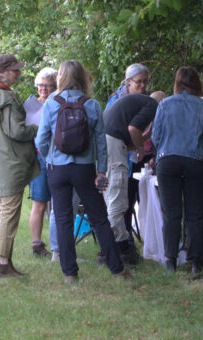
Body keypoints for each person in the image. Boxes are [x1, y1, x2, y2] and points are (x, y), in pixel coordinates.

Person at [35, 60, 132, 283]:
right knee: (99, 218)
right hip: (84, 169)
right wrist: (101, 171)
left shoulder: (51, 103)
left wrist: (50, 159)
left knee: (63, 218)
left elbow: (41, 139)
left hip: (57, 170)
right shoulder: (92, 105)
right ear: (82, 77)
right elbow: (101, 142)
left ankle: (70, 273)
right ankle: (117, 269)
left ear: (60, 78)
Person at [151, 67, 203, 274]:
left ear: (177, 84)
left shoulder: (165, 104)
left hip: (168, 160)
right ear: (197, 84)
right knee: (195, 213)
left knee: (171, 213)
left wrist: (164, 151)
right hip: (195, 161)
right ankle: (196, 260)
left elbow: (156, 137)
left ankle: (170, 259)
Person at [0, 54, 39, 278]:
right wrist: (36, 127)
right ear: (2, 73)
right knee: (8, 214)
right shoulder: (7, 97)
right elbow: (17, 132)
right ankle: (3, 265)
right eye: (15, 70)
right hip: (11, 163)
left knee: (3, 212)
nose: (19, 73)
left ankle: (6, 262)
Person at [102, 91, 160, 265]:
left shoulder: (134, 103)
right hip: (112, 145)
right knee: (117, 200)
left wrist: (143, 138)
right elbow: (133, 130)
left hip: (105, 144)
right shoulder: (153, 105)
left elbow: (128, 141)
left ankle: (117, 248)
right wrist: (141, 147)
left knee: (111, 196)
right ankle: (114, 250)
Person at [24, 67, 57, 258]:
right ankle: (37, 244)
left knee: (58, 203)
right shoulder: (29, 106)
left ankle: (58, 245)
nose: (44, 89)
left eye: (48, 85)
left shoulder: (59, 103)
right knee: (39, 202)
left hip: (57, 157)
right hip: (37, 158)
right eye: (41, 85)